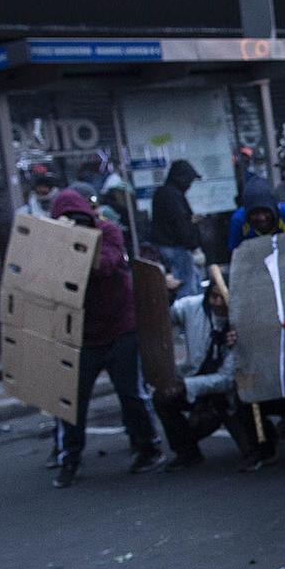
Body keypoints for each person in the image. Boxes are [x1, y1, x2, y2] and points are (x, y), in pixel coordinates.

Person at [47, 188, 164, 487]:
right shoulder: (54, 245)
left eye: (78, 220)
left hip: (119, 329)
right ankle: (69, 457)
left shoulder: (108, 232)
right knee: (71, 401)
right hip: (82, 335)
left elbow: (106, 264)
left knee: (130, 393)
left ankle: (148, 446)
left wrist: (78, 243)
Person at [156, 266, 259, 471]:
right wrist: (164, 294)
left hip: (227, 391)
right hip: (195, 380)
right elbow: (164, 318)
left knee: (237, 406)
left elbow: (226, 379)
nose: (217, 303)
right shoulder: (192, 307)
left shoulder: (242, 323)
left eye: (223, 298)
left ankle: (256, 449)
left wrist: (187, 385)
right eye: (213, 296)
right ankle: (187, 452)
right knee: (162, 397)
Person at [150, 160, 205, 298]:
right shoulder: (173, 195)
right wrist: (193, 245)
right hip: (176, 248)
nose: (189, 185)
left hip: (164, 246)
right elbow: (180, 223)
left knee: (180, 286)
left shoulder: (161, 193)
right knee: (187, 291)